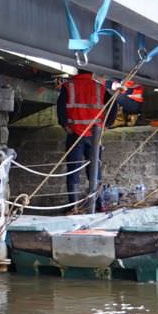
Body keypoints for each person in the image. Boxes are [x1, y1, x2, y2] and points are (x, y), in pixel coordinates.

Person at [57, 71, 119, 210]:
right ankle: (99, 204)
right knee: (95, 169)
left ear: (76, 72)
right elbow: (113, 105)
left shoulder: (68, 86)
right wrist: (106, 125)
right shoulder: (99, 87)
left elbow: (61, 108)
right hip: (94, 134)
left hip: (75, 133)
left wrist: (65, 125)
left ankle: (74, 206)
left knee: (73, 170)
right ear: (91, 72)